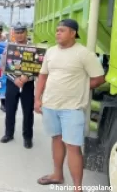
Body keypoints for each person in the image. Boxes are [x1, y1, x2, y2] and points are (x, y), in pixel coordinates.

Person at [34, 19, 105, 190]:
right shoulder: (50, 52)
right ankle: (57, 175)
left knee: (73, 146)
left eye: (62, 30)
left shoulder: (84, 54)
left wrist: (80, 86)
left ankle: (77, 187)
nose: (57, 33)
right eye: (57, 30)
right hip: (50, 105)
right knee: (56, 139)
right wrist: (37, 99)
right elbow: (43, 76)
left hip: (72, 108)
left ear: (73, 33)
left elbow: (99, 78)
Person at [0, 22, 34, 149]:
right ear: (13, 34)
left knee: (28, 112)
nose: (19, 35)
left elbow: (38, 68)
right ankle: (8, 134)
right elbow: (3, 67)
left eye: (22, 32)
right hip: (12, 83)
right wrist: (14, 79)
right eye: (17, 33)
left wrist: (27, 77)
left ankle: (28, 137)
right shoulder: (9, 47)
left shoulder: (33, 48)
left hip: (28, 84)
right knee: (10, 110)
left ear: (26, 33)